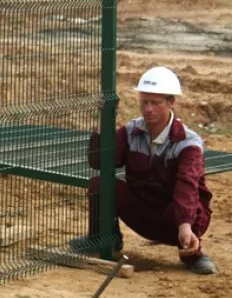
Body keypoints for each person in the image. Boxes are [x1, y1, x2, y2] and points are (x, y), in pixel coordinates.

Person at [80, 66, 217, 275]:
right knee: (100, 184)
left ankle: (192, 253)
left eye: (155, 102)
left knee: (193, 200)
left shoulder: (188, 143)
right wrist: (103, 121)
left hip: (176, 220)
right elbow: (100, 162)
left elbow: (186, 184)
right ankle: (105, 240)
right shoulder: (132, 131)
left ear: (171, 103)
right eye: (144, 102)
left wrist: (184, 225)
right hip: (144, 212)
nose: (148, 109)